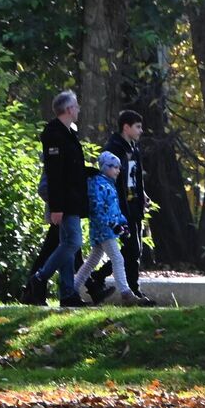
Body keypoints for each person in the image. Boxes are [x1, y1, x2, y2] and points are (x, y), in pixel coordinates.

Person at [25, 90, 90, 307]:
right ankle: (40, 277)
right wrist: (57, 206)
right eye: (76, 106)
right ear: (69, 109)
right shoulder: (54, 134)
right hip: (64, 201)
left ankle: (67, 293)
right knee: (73, 242)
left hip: (72, 198)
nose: (79, 109)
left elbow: (73, 169)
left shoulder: (68, 133)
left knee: (67, 245)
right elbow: (55, 174)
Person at [87, 109, 156, 305]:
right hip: (120, 206)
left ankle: (105, 280)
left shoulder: (133, 148)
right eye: (138, 127)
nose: (141, 131)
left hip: (134, 204)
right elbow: (112, 180)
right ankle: (127, 289)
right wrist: (115, 208)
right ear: (126, 127)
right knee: (130, 249)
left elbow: (134, 176)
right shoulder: (114, 148)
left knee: (135, 249)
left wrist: (142, 195)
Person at [79, 151, 138, 304]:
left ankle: (72, 288)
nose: (118, 170)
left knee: (91, 262)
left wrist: (123, 223)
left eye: (119, 168)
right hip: (104, 230)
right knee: (118, 258)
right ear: (105, 167)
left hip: (107, 229)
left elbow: (114, 209)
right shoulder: (98, 184)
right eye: (114, 167)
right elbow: (97, 210)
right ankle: (125, 292)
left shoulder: (109, 184)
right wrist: (113, 225)